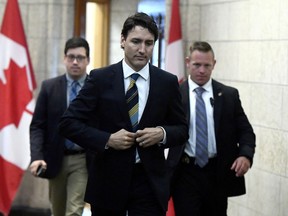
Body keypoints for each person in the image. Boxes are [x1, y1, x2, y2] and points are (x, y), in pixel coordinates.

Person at [58, 12, 188, 216]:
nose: (142, 49)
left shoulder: (167, 82)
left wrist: (162, 134)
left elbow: (181, 129)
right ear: (122, 40)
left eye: (149, 43)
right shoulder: (100, 79)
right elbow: (68, 123)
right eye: (136, 41)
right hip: (108, 182)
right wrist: (108, 139)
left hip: (149, 183)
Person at [170, 41, 256, 216]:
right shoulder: (174, 95)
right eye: (197, 65)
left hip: (217, 173)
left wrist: (245, 156)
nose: (202, 70)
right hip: (185, 173)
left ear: (214, 64)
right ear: (188, 62)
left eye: (207, 65)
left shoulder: (229, 95)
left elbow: (246, 131)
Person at [29, 37, 90, 216]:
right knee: (58, 211)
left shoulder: (95, 86)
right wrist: (36, 156)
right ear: (64, 58)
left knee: (74, 210)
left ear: (88, 60)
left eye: (80, 57)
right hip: (56, 158)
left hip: (83, 159)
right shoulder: (50, 87)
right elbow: (38, 126)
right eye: (71, 57)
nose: (75, 62)